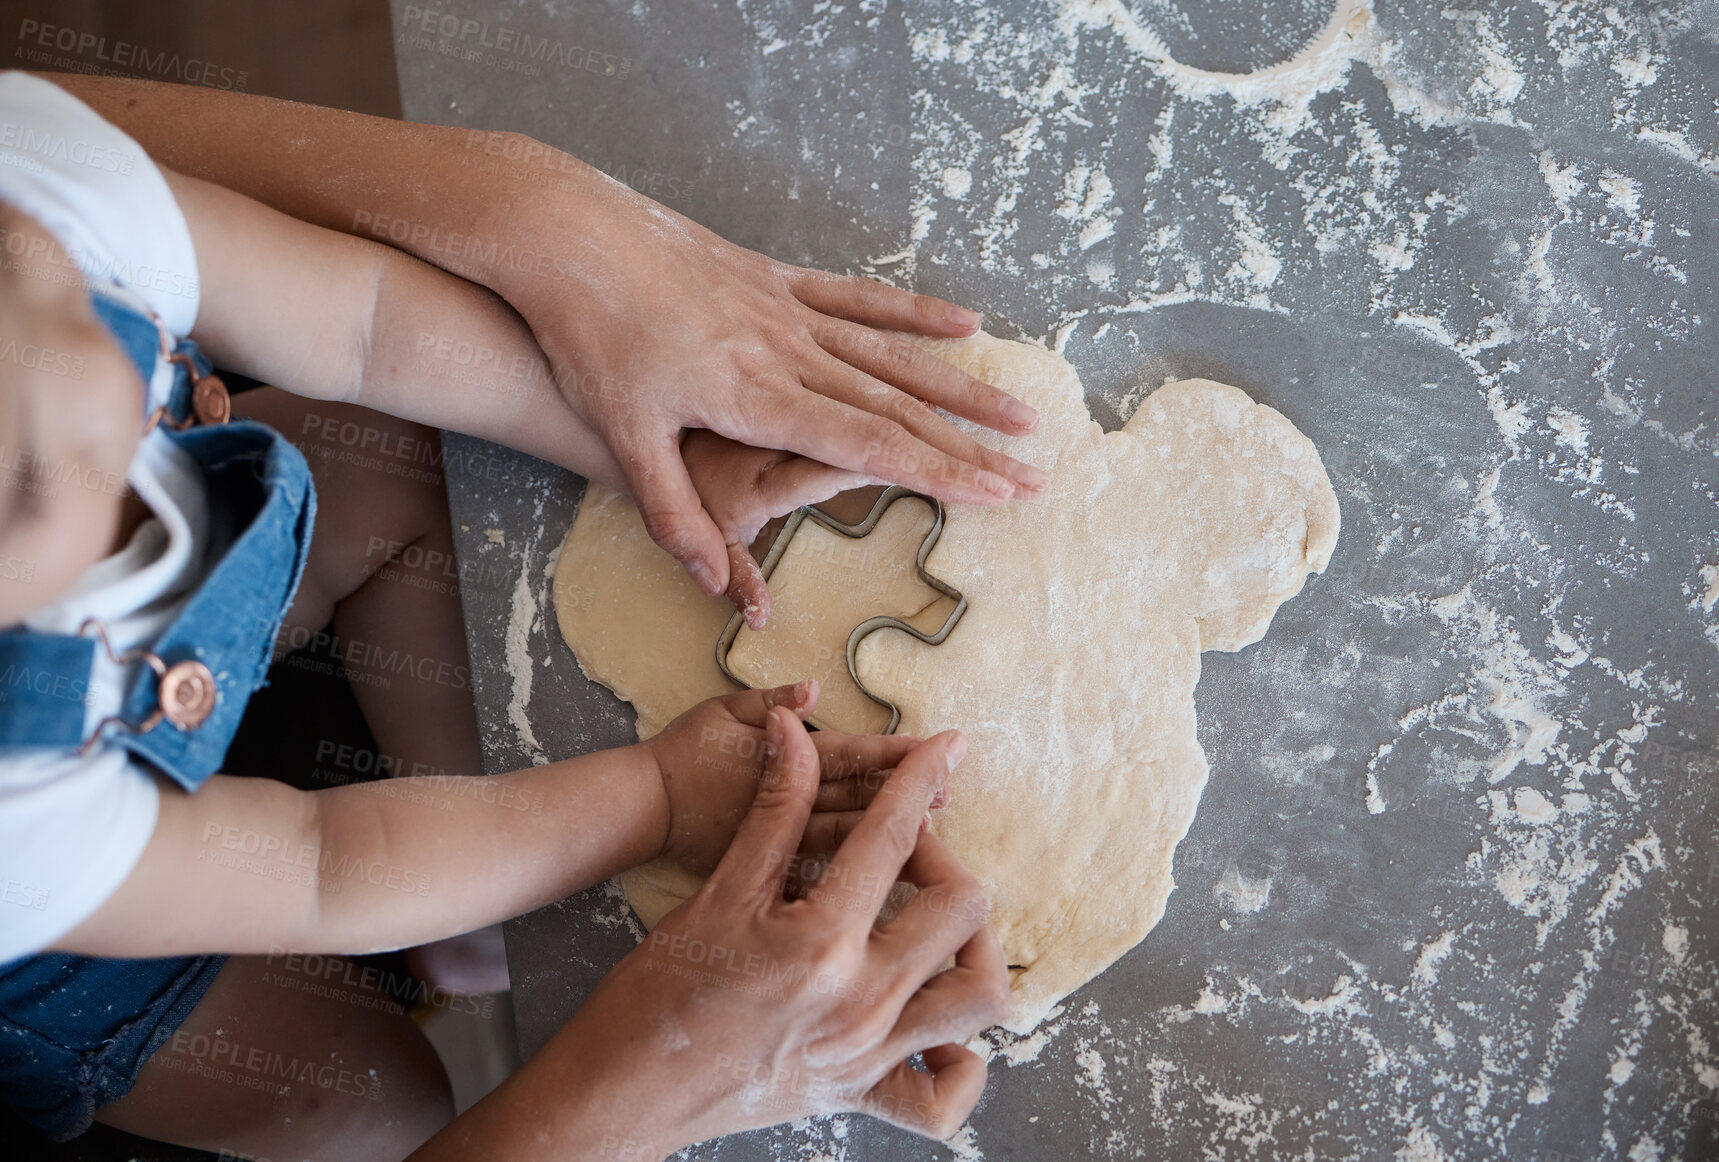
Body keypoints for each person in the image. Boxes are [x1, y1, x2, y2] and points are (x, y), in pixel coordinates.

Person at [0, 71, 1022, 1159]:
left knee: (395, 455)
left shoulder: (36, 198)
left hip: (172, 645)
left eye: (41, 300)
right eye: (27, 488)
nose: (101, 388)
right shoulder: (25, 838)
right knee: (366, 1100)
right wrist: (652, 796)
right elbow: (313, 866)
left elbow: (366, 322)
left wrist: (662, 465)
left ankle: (467, 932)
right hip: (65, 936)